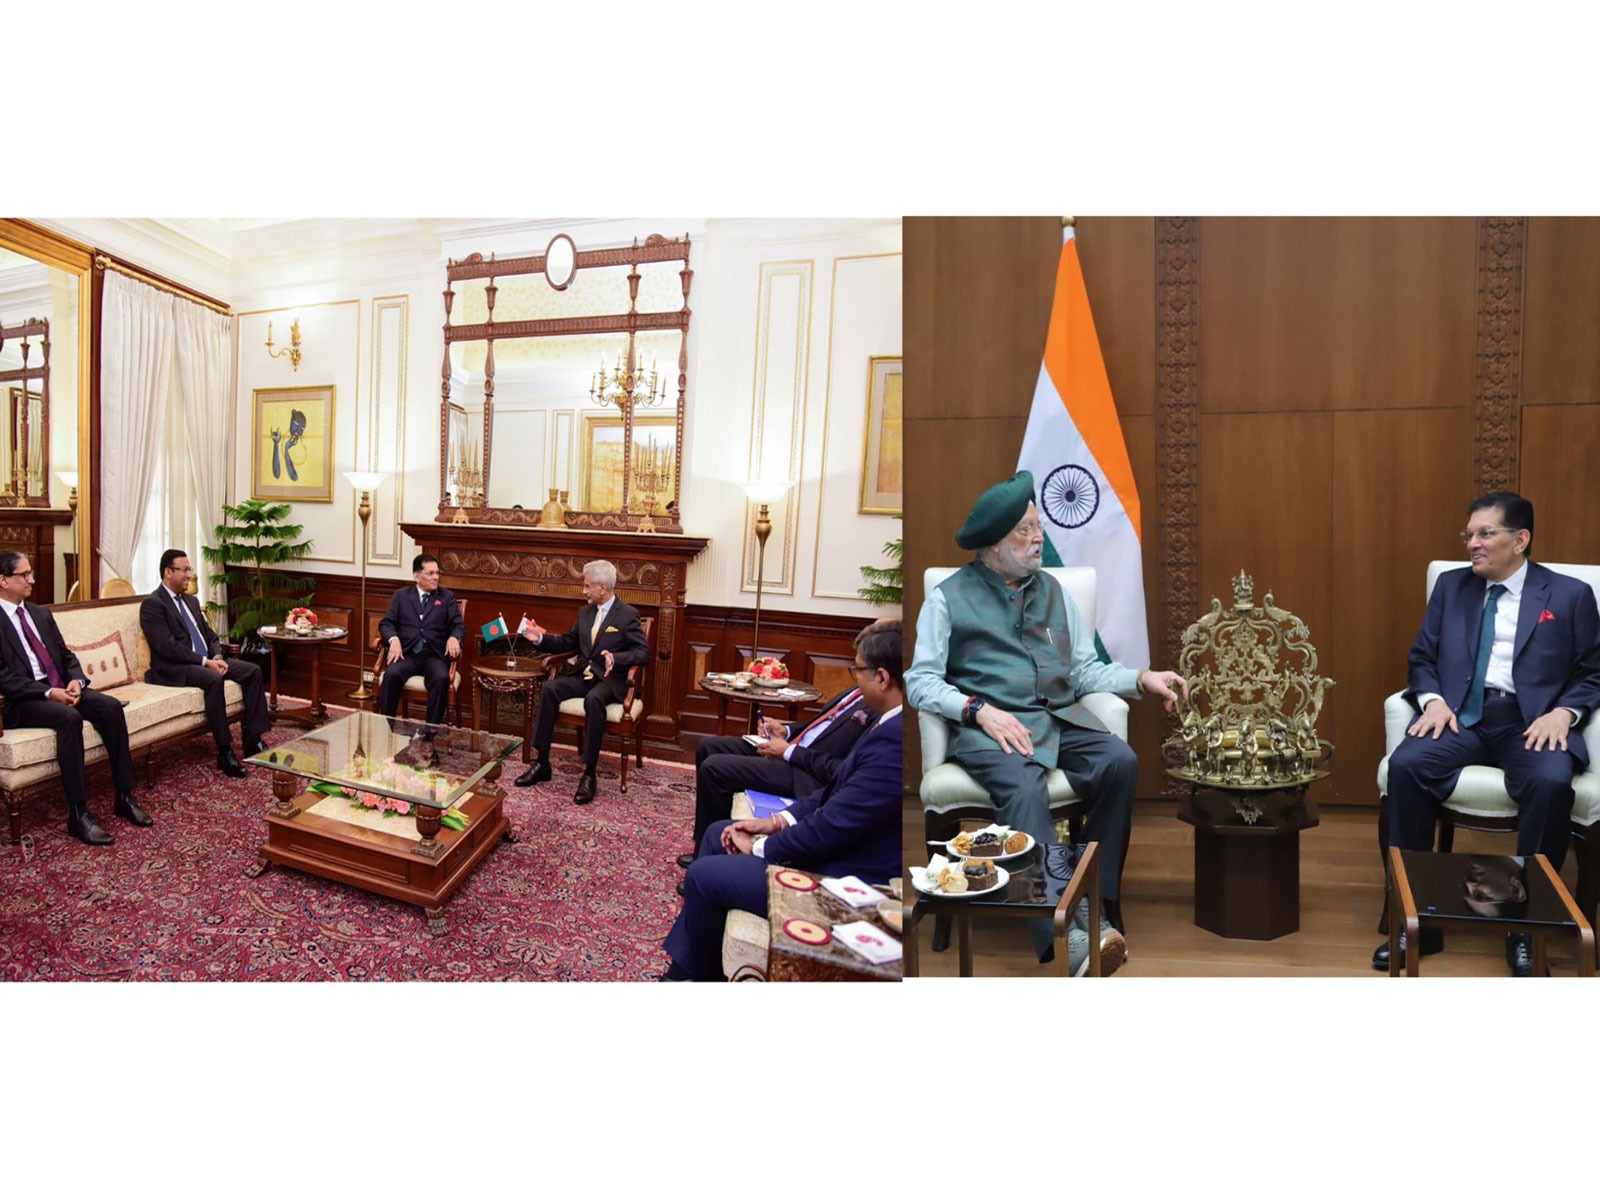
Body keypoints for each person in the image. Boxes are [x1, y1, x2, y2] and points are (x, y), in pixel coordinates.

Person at [906, 471, 1187, 969]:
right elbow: (920, 682)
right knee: (1024, 790)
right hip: (990, 731)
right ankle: (1062, 934)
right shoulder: (948, 598)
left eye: (1038, 527)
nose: (1039, 538)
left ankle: (1094, 901)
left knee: (1119, 762)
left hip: (1057, 718)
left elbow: (1084, 671)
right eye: (1026, 530)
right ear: (995, 543)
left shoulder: (1054, 590)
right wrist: (978, 710)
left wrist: (1142, 678)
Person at [1378, 491, 1600, 976]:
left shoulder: (1569, 595)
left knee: (1549, 781)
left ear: (1520, 540)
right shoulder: (1452, 587)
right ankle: (1415, 918)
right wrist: (1433, 700)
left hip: (1531, 721)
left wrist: (1565, 713)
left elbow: (1592, 671)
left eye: (1485, 533)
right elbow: (1422, 658)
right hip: (1462, 716)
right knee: (1407, 766)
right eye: (1469, 534)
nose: (1472, 544)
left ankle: (1528, 928)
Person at [660, 620, 903, 981]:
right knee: (716, 832)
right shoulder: (889, 722)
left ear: (881, 677)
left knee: (702, 876)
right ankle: (687, 970)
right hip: (827, 838)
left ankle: (691, 977)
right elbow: (834, 792)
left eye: (858, 670)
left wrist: (762, 846)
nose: (854, 677)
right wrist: (774, 822)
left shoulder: (896, 739)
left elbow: (833, 825)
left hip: (843, 877)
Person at [679, 631, 881, 873]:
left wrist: (789, 752)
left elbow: (841, 770)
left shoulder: (879, 710)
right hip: (792, 748)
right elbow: (819, 727)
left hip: (805, 773)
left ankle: (712, 858)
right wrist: (785, 730)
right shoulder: (855, 692)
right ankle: (704, 844)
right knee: (708, 746)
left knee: (715, 768)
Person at [0, 551, 150, 845]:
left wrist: (76, 682)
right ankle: (78, 814)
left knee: (110, 707)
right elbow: (4, 677)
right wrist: (48, 692)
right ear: (3, 580)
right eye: (25, 575)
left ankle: (124, 796)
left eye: (31, 573)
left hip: (60, 687)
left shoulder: (40, 614)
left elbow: (66, 655)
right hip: (22, 701)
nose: (32, 580)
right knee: (69, 718)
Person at [513, 559, 651, 805]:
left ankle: (589, 774)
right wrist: (539, 639)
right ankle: (542, 763)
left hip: (611, 680)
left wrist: (616, 658)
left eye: (587, 586)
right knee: (550, 689)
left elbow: (643, 653)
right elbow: (567, 642)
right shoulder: (585, 612)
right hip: (585, 675)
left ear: (602, 588)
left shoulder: (628, 615)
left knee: (594, 699)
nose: (584, 591)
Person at [140, 548, 271, 779]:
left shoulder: (191, 601)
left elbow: (211, 636)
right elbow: (167, 648)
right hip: (175, 668)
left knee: (252, 671)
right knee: (212, 680)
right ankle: (225, 751)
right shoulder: (153, 605)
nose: (189, 575)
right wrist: (205, 662)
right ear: (168, 572)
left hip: (207, 660)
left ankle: (254, 739)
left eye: (190, 569)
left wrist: (217, 657)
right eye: (184, 570)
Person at [377, 554, 465, 727]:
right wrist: (394, 640)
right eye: (430, 573)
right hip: (407, 654)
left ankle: (430, 732)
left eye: (437, 573)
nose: (436, 577)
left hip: (434, 655)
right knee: (391, 675)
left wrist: (454, 637)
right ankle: (386, 728)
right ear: (416, 576)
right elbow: (386, 623)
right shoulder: (401, 596)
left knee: (441, 678)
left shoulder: (446, 597)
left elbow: (458, 625)